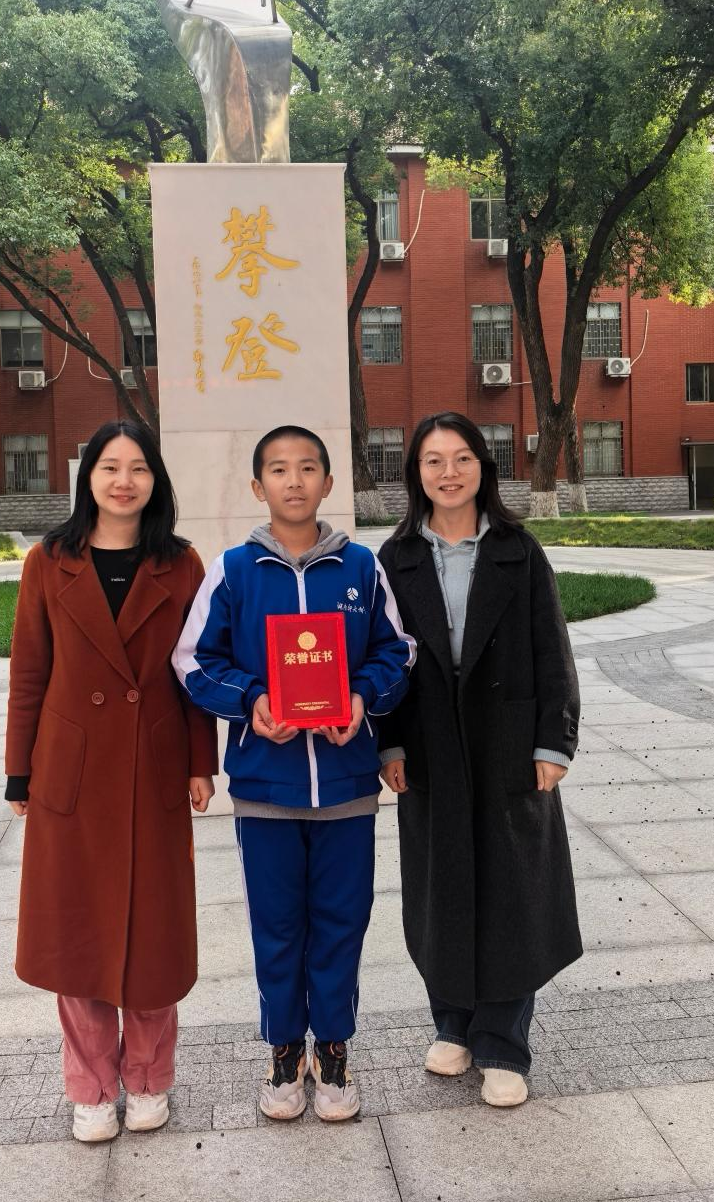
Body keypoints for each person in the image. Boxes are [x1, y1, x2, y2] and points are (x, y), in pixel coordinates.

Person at [175, 424, 415, 1123]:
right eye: (278, 469)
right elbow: (193, 660)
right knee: (277, 927)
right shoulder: (234, 571)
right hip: (266, 789)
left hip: (345, 785)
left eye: (308, 467)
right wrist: (251, 701)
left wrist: (361, 698)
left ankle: (332, 1050)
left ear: (328, 483)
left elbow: (397, 651)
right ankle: (284, 1050)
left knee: (341, 923)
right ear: (258, 487)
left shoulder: (360, 568)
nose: (294, 480)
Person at [5, 420, 218, 1143]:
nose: (123, 481)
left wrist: (200, 761)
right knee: (78, 937)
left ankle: (149, 1076)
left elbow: (195, 673)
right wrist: (19, 771)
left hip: (152, 764)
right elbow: (29, 672)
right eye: (109, 467)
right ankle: (91, 1087)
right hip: (71, 772)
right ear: (88, 477)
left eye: (138, 469)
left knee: (154, 934)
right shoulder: (49, 561)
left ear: (155, 481)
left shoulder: (181, 565)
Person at [377, 411, 582, 1108]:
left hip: (507, 745)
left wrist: (553, 742)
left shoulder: (517, 551)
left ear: (482, 467)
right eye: (433, 460)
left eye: (462, 458)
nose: (449, 473)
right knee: (441, 886)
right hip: (429, 745)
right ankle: (452, 1023)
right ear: (416, 473)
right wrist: (389, 742)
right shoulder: (396, 558)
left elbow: (552, 650)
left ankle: (502, 1042)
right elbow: (383, 659)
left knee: (512, 889)